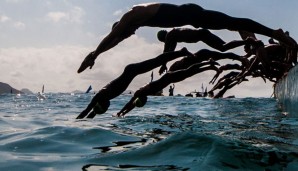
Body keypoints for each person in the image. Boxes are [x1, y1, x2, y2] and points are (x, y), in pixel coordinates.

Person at [77, 2, 295, 73]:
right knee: (231, 25)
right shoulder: (133, 24)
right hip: (192, 18)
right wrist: (98, 54)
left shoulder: (131, 15)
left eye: (129, 32)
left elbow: (112, 36)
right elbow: (116, 40)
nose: (132, 34)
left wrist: (94, 54)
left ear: (123, 27)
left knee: (232, 22)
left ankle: (274, 34)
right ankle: (252, 37)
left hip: (193, 14)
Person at [76, 48, 193, 119]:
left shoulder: (101, 95)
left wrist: (78, 121)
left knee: (156, 61)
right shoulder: (104, 98)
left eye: (106, 107)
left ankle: (181, 52)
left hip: (131, 71)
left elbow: (87, 110)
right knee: (156, 61)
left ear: (101, 104)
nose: (108, 106)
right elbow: (92, 112)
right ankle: (180, 52)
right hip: (131, 72)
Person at [115, 60, 220, 117]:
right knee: (188, 73)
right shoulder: (144, 93)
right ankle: (209, 66)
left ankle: (207, 63)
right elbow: (132, 104)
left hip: (168, 77)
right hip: (169, 79)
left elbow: (130, 103)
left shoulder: (141, 92)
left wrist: (121, 112)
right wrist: (123, 112)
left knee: (188, 71)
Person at [156, 28, 254, 74]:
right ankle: (246, 42)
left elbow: (167, 52)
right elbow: (169, 51)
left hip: (202, 35)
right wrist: (164, 64)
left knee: (223, 48)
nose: (166, 42)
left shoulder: (170, 36)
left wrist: (163, 65)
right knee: (224, 47)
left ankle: (247, 41)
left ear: (163, 38)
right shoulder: (173, 33)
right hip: (202, 34)